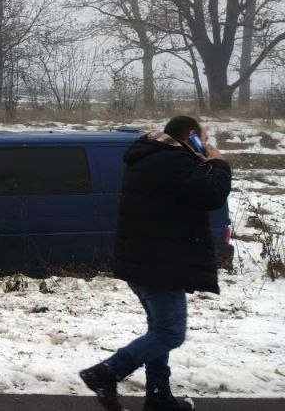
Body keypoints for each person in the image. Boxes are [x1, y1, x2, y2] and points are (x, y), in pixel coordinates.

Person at [80, 116, 232, 411]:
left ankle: (159, 396)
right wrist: (219, 163)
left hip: (149, 261)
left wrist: (202, 161)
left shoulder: (155, 157)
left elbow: (189, 192)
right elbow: (212, 194)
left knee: (159, 330)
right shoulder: (172, 162)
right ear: (192, 136)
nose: (206, 142)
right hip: (160, 264)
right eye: (203, 137)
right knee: (170, 332)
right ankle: (105, 373)